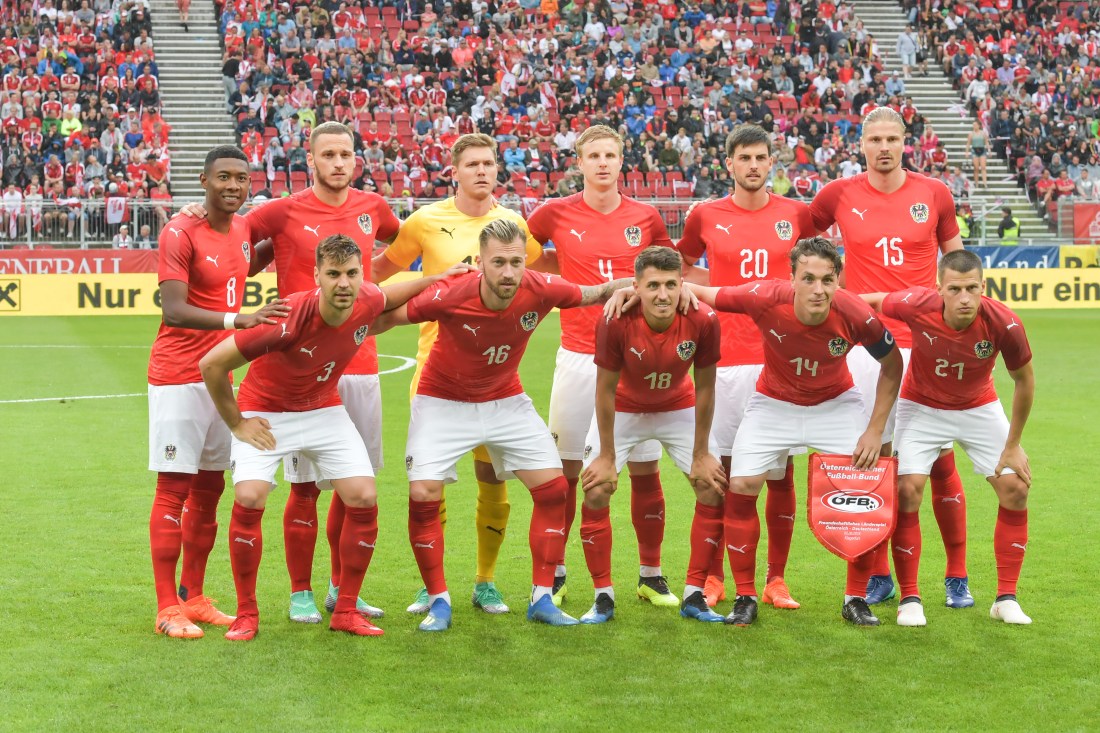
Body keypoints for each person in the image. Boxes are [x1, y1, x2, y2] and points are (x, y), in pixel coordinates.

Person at [181, 122, 400, 623]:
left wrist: (370, 290)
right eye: (329, 154)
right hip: (291, 365)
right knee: (303, 487)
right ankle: (300, 591)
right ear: (311, 159)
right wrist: (200, 213)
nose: (339, 162)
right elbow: (235, 240)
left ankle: (341, 588)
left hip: (358, 362)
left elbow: (400, 246)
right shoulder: (280, 210)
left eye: (347, 153)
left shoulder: (374, 207)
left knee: (355, 485)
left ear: (356, 159)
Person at [198, 235, 466, 640]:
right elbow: (212, 364)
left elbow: (389, 293)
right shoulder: (286, 319)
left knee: (363, 495)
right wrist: (237, 423)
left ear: (362, 275)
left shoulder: (366, 298)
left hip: (323, 408)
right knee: (250, 496)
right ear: (317, 275)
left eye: (352, 273)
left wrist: (439, 276)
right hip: (266, 411)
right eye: (334, 274)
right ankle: (246, 614)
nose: (344, 283)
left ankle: (345, 610)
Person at [374, 219, 633, 631]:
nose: (509, 272)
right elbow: (385, 317)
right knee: (423, 493)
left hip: (505, 400)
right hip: (443, 401)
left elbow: (596, 292)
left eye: (516, 262)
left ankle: (542, 597)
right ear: (481, 261)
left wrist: (642, 284)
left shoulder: (541, 286)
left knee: (551, 490)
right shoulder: (450, 292)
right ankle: (439, 601)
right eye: (499, 263)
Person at [689, 237, 903, 627]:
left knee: (863, 486)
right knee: (742, 485)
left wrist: (874, 430)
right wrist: (630, 289)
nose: (818, 289)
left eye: (827, 279)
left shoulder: (857, 314)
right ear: (792, 278)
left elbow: (893, 364)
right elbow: (701, 292)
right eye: (808, 278)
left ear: (839, 280)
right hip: (773, 402)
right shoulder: (764, 297)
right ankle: (745, 596)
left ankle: (856, 598)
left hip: (835, 403)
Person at [372, 133, 544, 616]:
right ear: (455, 170)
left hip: (494, 375)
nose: (482, 171)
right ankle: (435, 586)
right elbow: (383, 269)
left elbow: (538, 275)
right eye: (472, 164)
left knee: (492, 475)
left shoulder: (513, 224)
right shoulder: (425, 221)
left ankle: (486, 581)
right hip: (435, 372)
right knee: (432, 481)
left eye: (489, 163)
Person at [810, 106, 969, 608]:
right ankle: (877, 572)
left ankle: (957, 574)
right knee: (872, 454)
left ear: (906, 142)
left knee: (937, 455)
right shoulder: (837, 194)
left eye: (892, 139)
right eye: (874, 139)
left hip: (923, 341)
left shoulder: (934, 194)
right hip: (863, 344)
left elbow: (957, 264)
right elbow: (802, 247)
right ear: (860, 145)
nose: (884, 147)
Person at [526, 125, 675, 608]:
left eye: (611, 154)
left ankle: (650, 575)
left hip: (636, 358)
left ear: (622, 159)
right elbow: (530, 257)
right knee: (567, 472)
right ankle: (559, 569)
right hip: (577, 356)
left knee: (645, 469)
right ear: (580, 162)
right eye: (594, 155)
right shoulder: (554, 213)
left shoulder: (645, 217)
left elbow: (666, 270)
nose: (603, 163)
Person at [146, 145, 289, 638]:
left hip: (219, 376)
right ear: (203, 181)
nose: (233, 185)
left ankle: (196, 596)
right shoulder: (180, 231)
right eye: (223, 177)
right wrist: (240, 319)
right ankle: (168, 607)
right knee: (173, 489)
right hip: (178, 375)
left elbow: (251, 261)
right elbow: (174, 310)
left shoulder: (246, 230)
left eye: (241, 179)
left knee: (209, 490)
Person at [676, 123, 817, 611]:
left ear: (770, 163)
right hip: (723, 361)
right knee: (724, 472)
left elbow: (817, 272)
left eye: (761, 158)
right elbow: (680, 267)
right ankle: (714, 576)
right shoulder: (705, 215)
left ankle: (776, 579)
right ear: (729, 164)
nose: (754, 166)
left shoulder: (797, 215)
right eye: (745, 158)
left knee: (780, 474)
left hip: (779, 361)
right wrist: (706, 293)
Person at [861, 250, 1034, 626]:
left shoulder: (1004, 323)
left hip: (978, 406)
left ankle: (1005, 598)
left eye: (972, 288)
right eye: (954, 289)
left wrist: (1013, 443)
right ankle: (910, 598)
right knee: (907, 490)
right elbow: (869, 302)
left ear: (983, 286)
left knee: (1016, 488)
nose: (965, 298)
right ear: (939, 288)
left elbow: (1024, 380)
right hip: (922, 406)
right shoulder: (915, 303)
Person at [579, 246, 727, 625]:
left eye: (671, 285)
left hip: (676, 406)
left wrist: (701, 452)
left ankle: (695, 596)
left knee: (710, 485)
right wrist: (607, 456)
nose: (663, 295)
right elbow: (605, 390)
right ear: (636, 287)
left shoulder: (704, 319)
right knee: (596, 488)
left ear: (683, 285)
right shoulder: (615, 319)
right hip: (626, 408)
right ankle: (602, 597)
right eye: (653, 285)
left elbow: (706, 387)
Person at [966, 121, 988, 189]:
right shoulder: (971, 134)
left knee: (983, 167)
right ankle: (976, 183)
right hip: (974, 150)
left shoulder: (983, 133)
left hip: (982, 149)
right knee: (976, 168)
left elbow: (986, 142)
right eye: (973, 125)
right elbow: (968, 143)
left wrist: (989, 150)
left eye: (975, 125)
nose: (974, 126)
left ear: (979, 125)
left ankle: (985, 183)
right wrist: (966, 152)